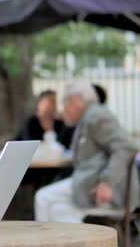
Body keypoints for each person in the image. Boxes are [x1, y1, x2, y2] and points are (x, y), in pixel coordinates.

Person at [34, 80, 139, 223]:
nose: (63, 107)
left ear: (75, 100)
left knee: (44, 198)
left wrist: (107, 183)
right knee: (55, 207)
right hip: (88, 184)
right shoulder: (88, 116)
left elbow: (125, 148)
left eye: (65, 102)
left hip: (105, 191)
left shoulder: (96, 116)